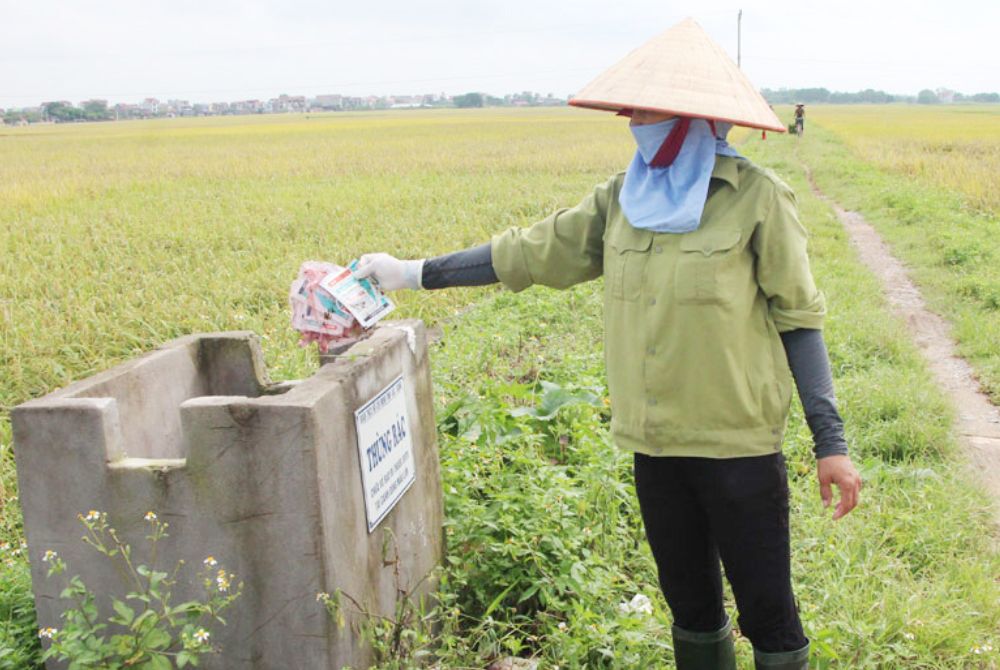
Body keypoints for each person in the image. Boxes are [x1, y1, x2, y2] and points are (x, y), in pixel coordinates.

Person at [356, 18, 861, 670]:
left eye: (646, 109)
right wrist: (414, 273)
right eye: (632, 109)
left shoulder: (755, 199)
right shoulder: (621, 201)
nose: (633, 121)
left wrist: (832, 444)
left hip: (737, 449)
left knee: (768, 608)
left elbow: (801, 319)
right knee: (691, 606)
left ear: (690, 116)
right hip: (654, 447)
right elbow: (529, 252)